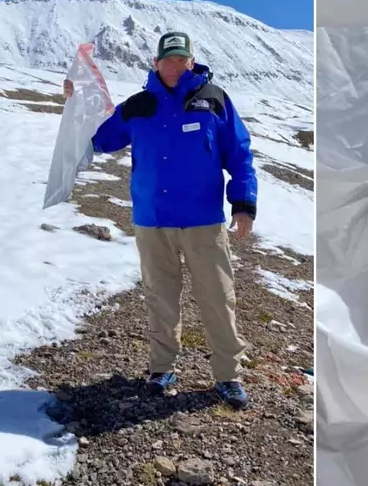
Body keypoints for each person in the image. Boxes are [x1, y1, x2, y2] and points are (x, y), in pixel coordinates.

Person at [68, 31, 257, 409]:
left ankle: (227, 375)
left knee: (218, 299)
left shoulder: (214, 100)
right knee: (161, 299)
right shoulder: (138, 105)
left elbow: (238, 153)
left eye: (180, 59)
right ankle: (162, 369)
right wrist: (75, 104)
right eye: (167, 59)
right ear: (156, 63)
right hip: (152, 221)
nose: (173, 66)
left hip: (203, 221)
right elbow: (101, 140)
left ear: (192, 61)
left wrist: (242, 202)